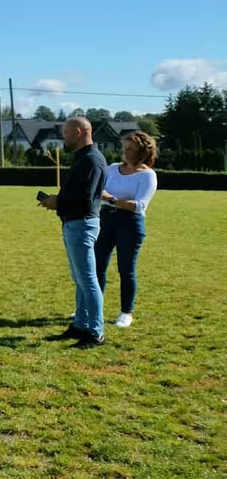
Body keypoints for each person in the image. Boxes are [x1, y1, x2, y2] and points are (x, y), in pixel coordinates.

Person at [39, 117, 108, 349]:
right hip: (74, 224)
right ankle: (80, 325)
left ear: (79, 132)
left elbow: (85, 198)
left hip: (82, 225)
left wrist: (57, 201)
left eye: (66, 133)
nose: (64, 138)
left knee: (88, 280)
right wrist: (57, 201)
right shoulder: (83, 158)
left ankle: (95, 332)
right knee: (80, 279)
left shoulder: (91, 160)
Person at [97, 130, 158, 329]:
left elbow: (140, 205)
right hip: (105, 220)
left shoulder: (148, 175)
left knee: (126, 269)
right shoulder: (113, 168)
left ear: (142, 152)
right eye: (124, 148)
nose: (125, 152)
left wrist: (112, 199)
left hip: (130, 224)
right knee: (96, 266)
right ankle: (93, 307)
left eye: (130, 149)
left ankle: (126, 312)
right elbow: (98, 189)